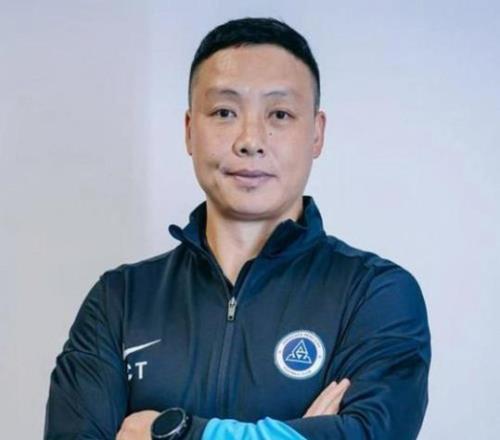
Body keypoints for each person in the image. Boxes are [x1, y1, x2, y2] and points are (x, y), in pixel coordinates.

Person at [44, 17, 431, 440]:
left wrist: (177, 433)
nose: (250, 140)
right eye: (224, 112)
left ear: (316, 134)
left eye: (280, 114)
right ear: (189, 131)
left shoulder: (375, 295)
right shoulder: (119, 302)